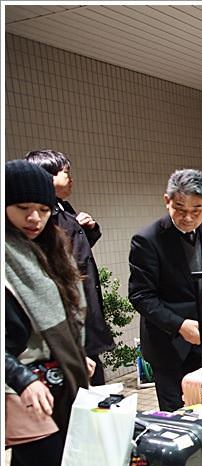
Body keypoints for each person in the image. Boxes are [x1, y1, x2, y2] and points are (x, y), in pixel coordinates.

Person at [4, 160, 93, 466]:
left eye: (42, 209)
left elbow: (69, 312)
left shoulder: (49, 247)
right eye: (24, 209)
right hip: (16, 387)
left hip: (53, 381)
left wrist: (76, 354)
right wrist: (23, 379)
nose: (34, 219)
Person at [128, 168, 202, 411]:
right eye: (180, 210)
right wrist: (180, 326)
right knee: (175, 413)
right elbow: (141, 296)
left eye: (196, 211)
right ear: (167, 201)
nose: (189, 218)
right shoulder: (146, 240)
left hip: (201, 337)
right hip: (167, 342)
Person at [25, 150, 114, 385]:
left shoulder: (62, 207)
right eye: (66, 173)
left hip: (85, 309)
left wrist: (90, 227)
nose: (70, 178)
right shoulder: (43, 221)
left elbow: (78, 248)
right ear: (47, 178)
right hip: (70, 321)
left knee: (96, 387)